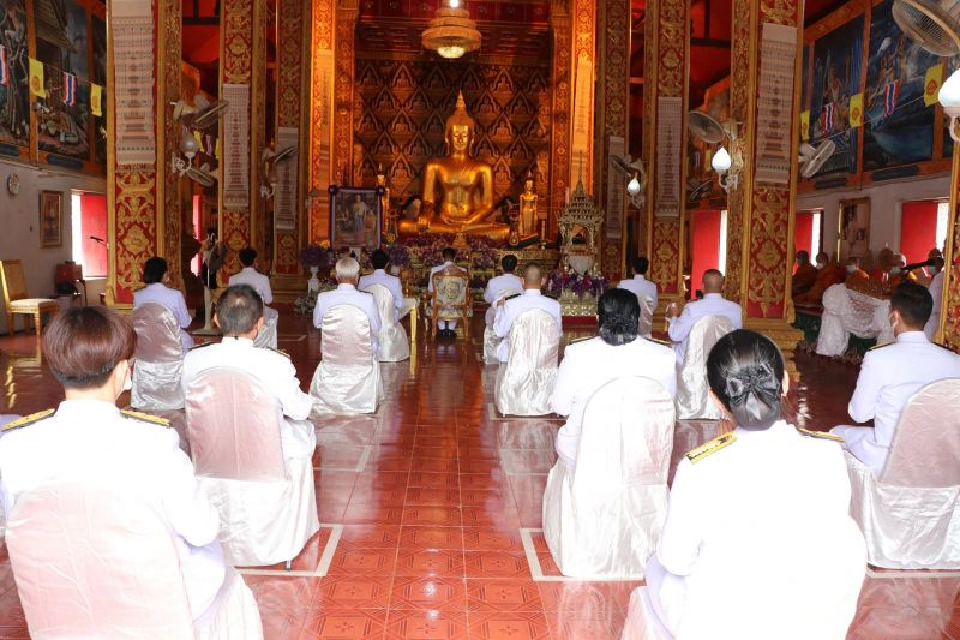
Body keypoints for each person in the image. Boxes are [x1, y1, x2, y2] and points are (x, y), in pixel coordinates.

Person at [0, 306, 226, 619]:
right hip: (146, 598)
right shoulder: (154, 442)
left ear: (55, 366)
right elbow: (201, 529)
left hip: (58, 598)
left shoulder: (13, 445)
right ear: (122, 371)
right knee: (219, 569)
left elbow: (19, 526)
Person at [646, 330, 865, 639]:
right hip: (807, 615)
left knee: (657, 566)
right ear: (786, 383)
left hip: (726, 621)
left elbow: (676, 559)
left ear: (716, 399)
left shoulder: (700, 467)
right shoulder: (828, 453)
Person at [831, 282, 960, 476]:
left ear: (895, 316)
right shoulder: (954, 361)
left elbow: (859, 414)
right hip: (939, 459)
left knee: (837, 434)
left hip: (891, 459)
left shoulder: (879, 358)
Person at [183, 285, 317, 460]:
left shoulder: (193, 359)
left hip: (212, 450)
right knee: (305, 430)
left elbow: (187, 401)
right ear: (260, 323)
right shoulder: (275, 362)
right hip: (263, 452)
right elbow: (300, 411)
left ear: (216, 319)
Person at [551, 288, 676, 471]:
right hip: (642, 456)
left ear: (597, 317)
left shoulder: (578, 354)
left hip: (584, 452)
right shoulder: (664, 355)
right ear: (638, 318)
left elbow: (559, 406)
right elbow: (668, 405)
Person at [666, 269, 742, 364]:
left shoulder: (692, 309)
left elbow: (675, 336)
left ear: (702, 287)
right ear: (723, 287)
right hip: (722, 363)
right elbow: (737, 339)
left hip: (693, 363)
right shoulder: (735, 309)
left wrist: (673, 317)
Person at [493, 262, 563, 363]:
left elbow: (499, 332)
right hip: (542, 358)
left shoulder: (511, 304)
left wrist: (500, 307)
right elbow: (557, 333)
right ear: (543, 280)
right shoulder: (554, 305)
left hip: (516, 357)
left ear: (521, 280)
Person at [313, 257, 381, 354]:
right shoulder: (368, 299)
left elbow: (317, 323)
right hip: (361, 351)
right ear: (357, 277)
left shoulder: (323, 298)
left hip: (333, 350)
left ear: (337, 277)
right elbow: (376, 326)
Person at [133, 256, 194, 353]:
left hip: (147, 345)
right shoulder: (176, 295)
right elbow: (185, 323)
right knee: (186, 340)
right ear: (164, 274)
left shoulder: (137, 295)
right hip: (172, 345)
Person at [229, 247, 278, 325]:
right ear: (255, 261)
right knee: (274, 314)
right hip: (257, 316)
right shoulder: (264, 278)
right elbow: (268, 300)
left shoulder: (232, 279)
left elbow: (231, 300)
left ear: (241, 262)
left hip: (239, 315)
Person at [428, 247, 467, 337]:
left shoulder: (435, 271)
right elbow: (463, 292)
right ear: (454, 258)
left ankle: (441, 329)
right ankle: (451, 329)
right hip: (457, 303)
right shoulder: (463, 271)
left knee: (438, 299)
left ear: (443, 258)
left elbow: (430, 289)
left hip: (439, 303)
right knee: (455, 300)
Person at [359, 249, 405, 315]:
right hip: (389, 320)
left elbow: (362, 302)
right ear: (387, 264)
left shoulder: (363, 280)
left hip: (370, 320)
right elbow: (399, 304)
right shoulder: (395, 280)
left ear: (371, 264)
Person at [925, 254, 945, 339]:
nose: (929, 266)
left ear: (940, 265)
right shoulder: (935, 278)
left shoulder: (939, 278)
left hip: (935, 316)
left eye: (932, 263)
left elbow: (932, 299)